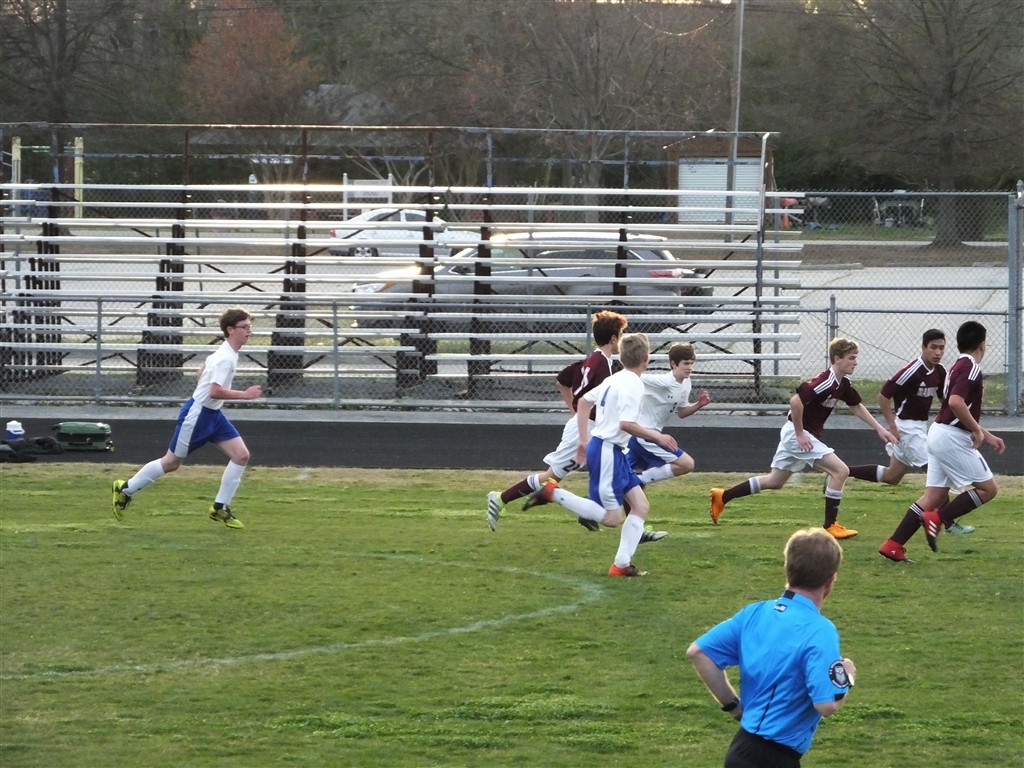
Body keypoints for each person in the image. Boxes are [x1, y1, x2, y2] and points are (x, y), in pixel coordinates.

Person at [687, 527, 855, 767]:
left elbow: (699, 652)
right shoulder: (820, 630)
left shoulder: (754, 613)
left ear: (787, 569)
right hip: (775, 758)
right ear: (831, 580)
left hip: (740, 749)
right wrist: (847, 676)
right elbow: (826, 705)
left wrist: (734, 707)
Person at [488, 310, 661, 536]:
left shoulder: (594, 360)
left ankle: (634, 526)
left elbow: (563, 380)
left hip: (593, 428)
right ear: (613, 339)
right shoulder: (601, 363)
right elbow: (586, 396)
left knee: (624, 471)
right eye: (620, 335)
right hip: (586, 430)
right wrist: (580, 419)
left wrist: (576, 411)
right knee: (551, 477)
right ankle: (501, 498)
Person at [709, 337, 897, 539]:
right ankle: (830, 525)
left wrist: (879, 428)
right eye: (851, 358)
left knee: (775, 481)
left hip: (796, 433)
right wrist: (799, 433)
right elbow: (795, 402)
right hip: (797, 434)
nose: (855, 362)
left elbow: (856, 406)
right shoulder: (825, 382)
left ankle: (723, 496)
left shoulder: (842, 383)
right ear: (837, 359)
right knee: (840, 471)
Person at [524, 333, 678, 576]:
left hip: (610, 449)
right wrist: (657, 436)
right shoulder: (633, 384)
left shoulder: (615, 378)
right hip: (607, 451)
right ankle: (553, 493)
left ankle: (621, 565)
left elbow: (584, 402)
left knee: (640, 505)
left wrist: (584, 440)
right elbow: (626, 424)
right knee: (611, 518)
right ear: (646, 358)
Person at [112, 307, 262, 528]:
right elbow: (214, 391)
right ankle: (125, 489)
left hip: (213, 415)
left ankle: (220, 507)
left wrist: (205, 380)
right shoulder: (224, 358)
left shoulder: (225, 353)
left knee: (241, 455)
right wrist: (245, 395)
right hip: (198, 415)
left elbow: (202, 372)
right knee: (171, 462)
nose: (249, 331)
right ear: (230, 330)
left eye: (250, 327)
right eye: (245, 327)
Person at [879, 321, 1006, 561]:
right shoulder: (971, 369)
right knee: (988, 489)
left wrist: (985, 434)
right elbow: (956, 403)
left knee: (934, 497)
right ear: (983, 345)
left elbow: (953, 406)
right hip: (951, 437)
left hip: (938, 432)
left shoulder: (956, 366)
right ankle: (937, 518)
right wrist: (976, 431)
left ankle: (893, 544)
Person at [845, 329, 972, 535]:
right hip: (906, 429)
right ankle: (948, 522)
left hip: (920, 428)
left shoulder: (939, 372)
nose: (938, 352)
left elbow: (945, 401)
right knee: (937, 471)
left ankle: (842, 471)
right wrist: (892, 426)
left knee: (892, 476)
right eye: (933, 347)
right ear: (923, 348)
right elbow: (883, 396)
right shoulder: (911, 370)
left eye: (941, 348)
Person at [628, 341, 711, 487]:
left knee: (624, 486)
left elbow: (682, 412)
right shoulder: (663, 381)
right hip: (645, 436)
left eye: (692, 363)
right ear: (673, 364)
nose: (690, 367)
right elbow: (632, 377)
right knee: (687, 464)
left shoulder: (686, 382)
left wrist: (698, 404)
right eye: (686, 363)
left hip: (648, 436)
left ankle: (633, 482)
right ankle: (639, 479)